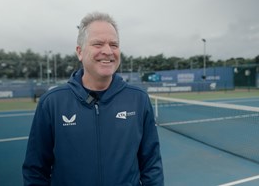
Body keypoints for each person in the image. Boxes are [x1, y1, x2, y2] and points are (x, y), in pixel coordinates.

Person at [22, 12, 164, 186]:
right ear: (80, 52)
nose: (107, 51)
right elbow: (35, 170)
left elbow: (151, 164)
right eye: (98, 44)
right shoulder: (51, 103)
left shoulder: (138, 99)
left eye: (114, 44)